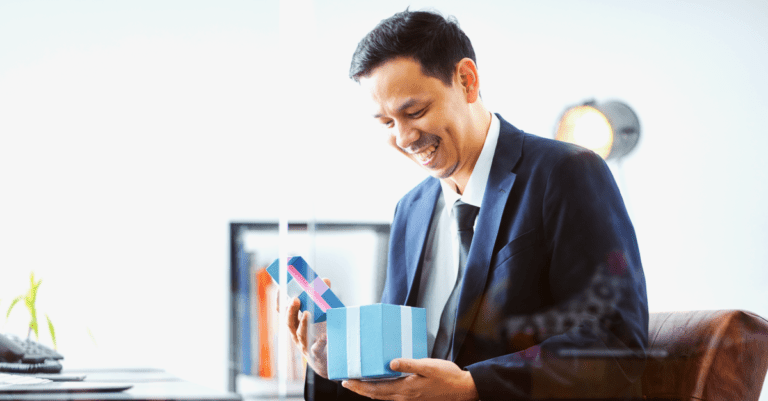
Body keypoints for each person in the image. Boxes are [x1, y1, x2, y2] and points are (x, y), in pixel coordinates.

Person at [286, 9, 648, 401]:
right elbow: (396, 377)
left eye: (415, 112)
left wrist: (474, 387)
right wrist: (333, 366)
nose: (405, 137)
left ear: (466, 81)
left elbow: (615, 344)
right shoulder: (411, 211)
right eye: (387, 123)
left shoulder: (565, 173)